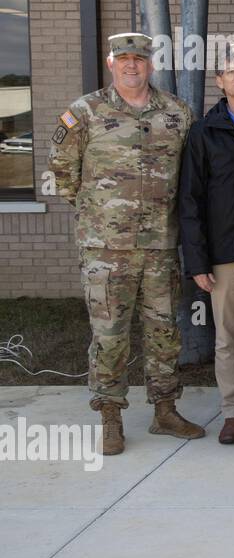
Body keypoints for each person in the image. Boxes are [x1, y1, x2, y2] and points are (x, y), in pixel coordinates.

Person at [48, 32, 204, 455]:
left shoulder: (176, 113)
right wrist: (97, 214)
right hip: (106, 249)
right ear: (110, 62)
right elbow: (63, 172)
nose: (131, 65)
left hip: (160, 246)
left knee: (163, 332)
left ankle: (165, 410)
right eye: (123, 58)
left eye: (139, 58)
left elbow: (191, 176)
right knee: (109, 334)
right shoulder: (86, 111)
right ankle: (111, 416)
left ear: (151, 64)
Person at [179, 48, 234, 444]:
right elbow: (190, 199)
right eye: (232, 70)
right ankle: (233, 412)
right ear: (219, 81)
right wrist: (197, 260)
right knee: (230, 338)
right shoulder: (203, 132)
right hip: (226, 252)